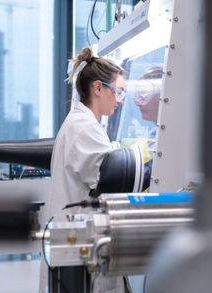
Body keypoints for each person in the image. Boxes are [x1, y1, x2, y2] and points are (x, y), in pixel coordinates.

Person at [39, 47, 126, 293]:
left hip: (70, 237)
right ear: (98, 88)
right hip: (77, 240)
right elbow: (107, 181)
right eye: (118, 91)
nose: (120, 100)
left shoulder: (80, 122)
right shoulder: (86, 129)